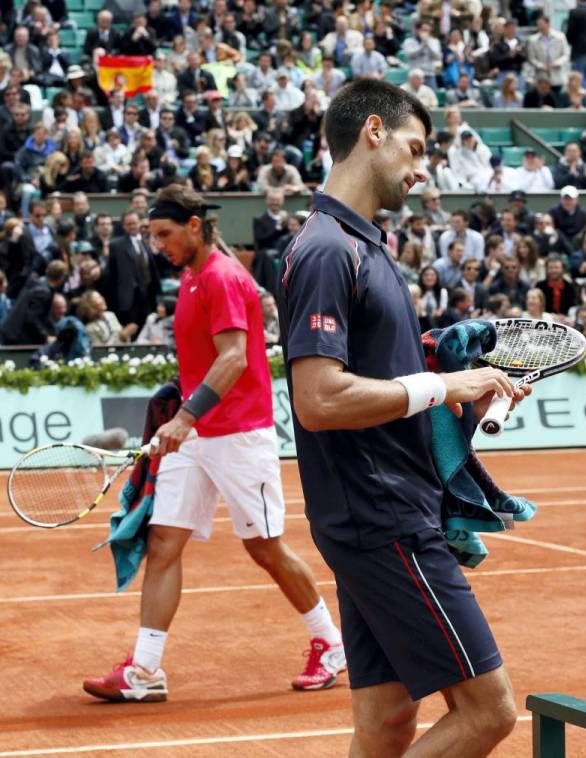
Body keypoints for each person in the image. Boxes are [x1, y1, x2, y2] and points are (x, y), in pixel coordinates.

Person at [277, 79, 531, 756]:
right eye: (416, 149)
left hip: (378, 513)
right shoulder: (330, 249)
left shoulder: (364, 248)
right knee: (490, 712)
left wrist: (451, 393)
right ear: (373, 134)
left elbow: (387, 384)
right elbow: (321, 399)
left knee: (387, 722)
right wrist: (440, 382)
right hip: (381, 517)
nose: (423, 170)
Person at [83, 184, 345, 703]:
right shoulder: (191, 278)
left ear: (195, 226)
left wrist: (183, 417)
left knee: (264, 548)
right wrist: (178, 412)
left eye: (165, 233)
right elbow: (205, 361)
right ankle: (146, 669)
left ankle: (331, 643)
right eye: (153, 235)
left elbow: (234, 359)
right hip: (197, 437)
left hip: (240, 436)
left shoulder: (223, 277)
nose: (158, 243)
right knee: (164, 543)